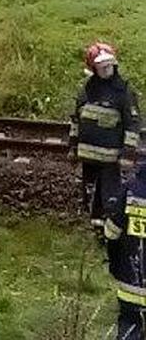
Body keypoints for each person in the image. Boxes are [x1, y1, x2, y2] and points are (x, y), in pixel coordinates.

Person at [71, 42, 140, 228]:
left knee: (109, 197)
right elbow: (76, 121)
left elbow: (132, 124)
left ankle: (108, 233)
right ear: (93, 68)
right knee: (90, 195)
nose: (107, 69)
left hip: (110, 160)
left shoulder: (123, 92)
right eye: (102, 66)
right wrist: (72, 146)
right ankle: (96, 229)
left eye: (109, 65)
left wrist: (127, 153)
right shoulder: (87, 90)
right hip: (88, 158)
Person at [102, 159, 146, 338]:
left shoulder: (130, 190)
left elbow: (112, 234)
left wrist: (115, 264)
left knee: (130, 324)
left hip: (131, 281)